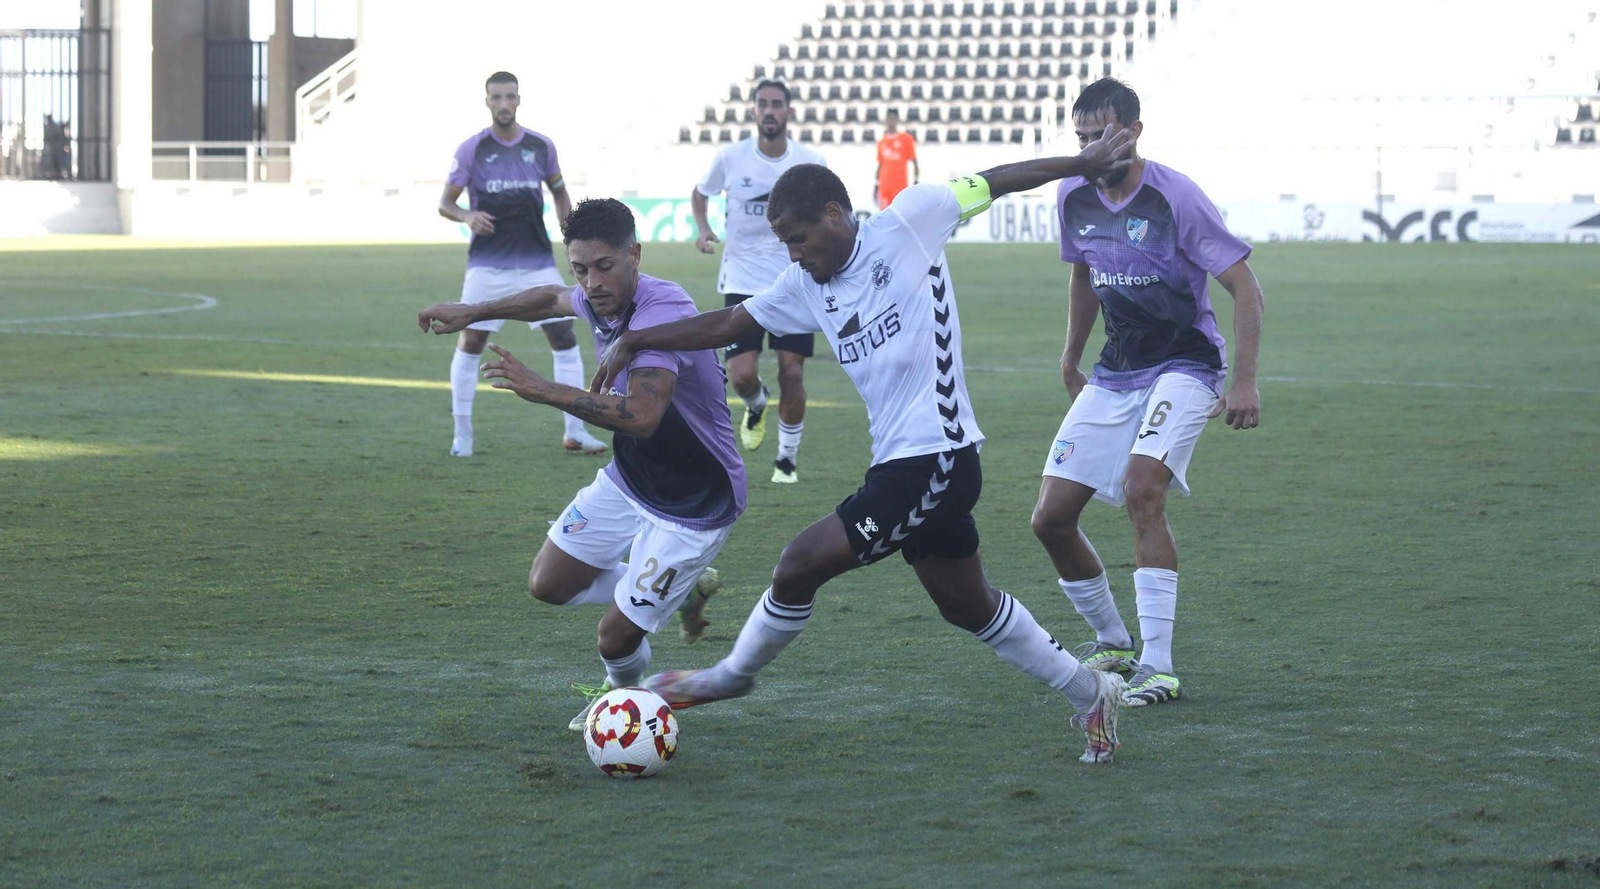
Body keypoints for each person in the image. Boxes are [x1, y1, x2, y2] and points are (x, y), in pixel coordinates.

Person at [592, 127, 1141, 764]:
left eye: (798, 239)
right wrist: (636, 340)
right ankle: (1089, 692)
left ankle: (729, 677)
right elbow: (730, 323)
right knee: (968, 606)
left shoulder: (911, 219)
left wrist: (1083, 162)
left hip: (937, 456)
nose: (793, 256)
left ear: (834, 215)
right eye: (784, 245)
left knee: (799, 563)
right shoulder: (803, 284)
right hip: (904, 463)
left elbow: (999, 177)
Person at [417, 198, 747, 730]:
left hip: (696, 499)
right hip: (632, 478)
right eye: (581, 269)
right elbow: (550, 297)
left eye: (604, 266)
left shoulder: (662, 310)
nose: (591, 282)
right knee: (548, 583)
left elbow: (641, 416)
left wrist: (546, 390)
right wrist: (472, 311)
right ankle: (681, 591)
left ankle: (623, 708)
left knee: (614, 638)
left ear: (634, 255)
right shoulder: (598, 297)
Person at [1030, 78, 1266, 707]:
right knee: (1050, 520)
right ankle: (1113, 638)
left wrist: (1242, 379)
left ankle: (1157, 667)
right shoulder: (1072, 193)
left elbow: (1246, 287)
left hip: (1185, 363)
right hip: (1116, 367)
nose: (1088, 150)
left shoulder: (1175, 196)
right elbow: (1083, 273)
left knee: (1142, 489)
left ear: (1132, 132)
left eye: (1100, 136)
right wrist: (1071, 354)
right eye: (1080, 138)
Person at [438, 71, 607, 458]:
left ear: (518, 100)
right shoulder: (472, 150)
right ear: (487, 102)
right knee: (471, 340)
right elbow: (446, 203)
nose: (502, 103)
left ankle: (575, 431)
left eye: (509, 96)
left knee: (564, 337)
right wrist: (466, 216)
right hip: (488, 264)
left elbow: (561, 193)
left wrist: (572, 238)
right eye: (495, 97)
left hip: (536, 262)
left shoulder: (541, 146)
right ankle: (462, 435)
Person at [691, 80, 826, 483]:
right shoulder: (731, 158)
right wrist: (703, 228)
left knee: (793, 373)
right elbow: (700, 193)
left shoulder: (808, 161)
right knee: (742, 375)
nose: (770, 111)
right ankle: (755, 402)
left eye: (777, 105)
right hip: (743, 278)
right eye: (763, 104)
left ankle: (786, 460)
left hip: (795, 280)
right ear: (753, 111)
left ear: (788, 111)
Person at [873, 110, 919, 211]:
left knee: (900, 213)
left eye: (893, 119)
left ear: (897, 121)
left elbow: (914, 162)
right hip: (885, 187)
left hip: (900, 186)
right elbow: (880, 164)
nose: (891, 122)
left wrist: (916, 180)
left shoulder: (906, 139)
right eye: (889, 119)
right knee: (884, 214)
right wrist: (876, 185)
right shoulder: (882, 142)